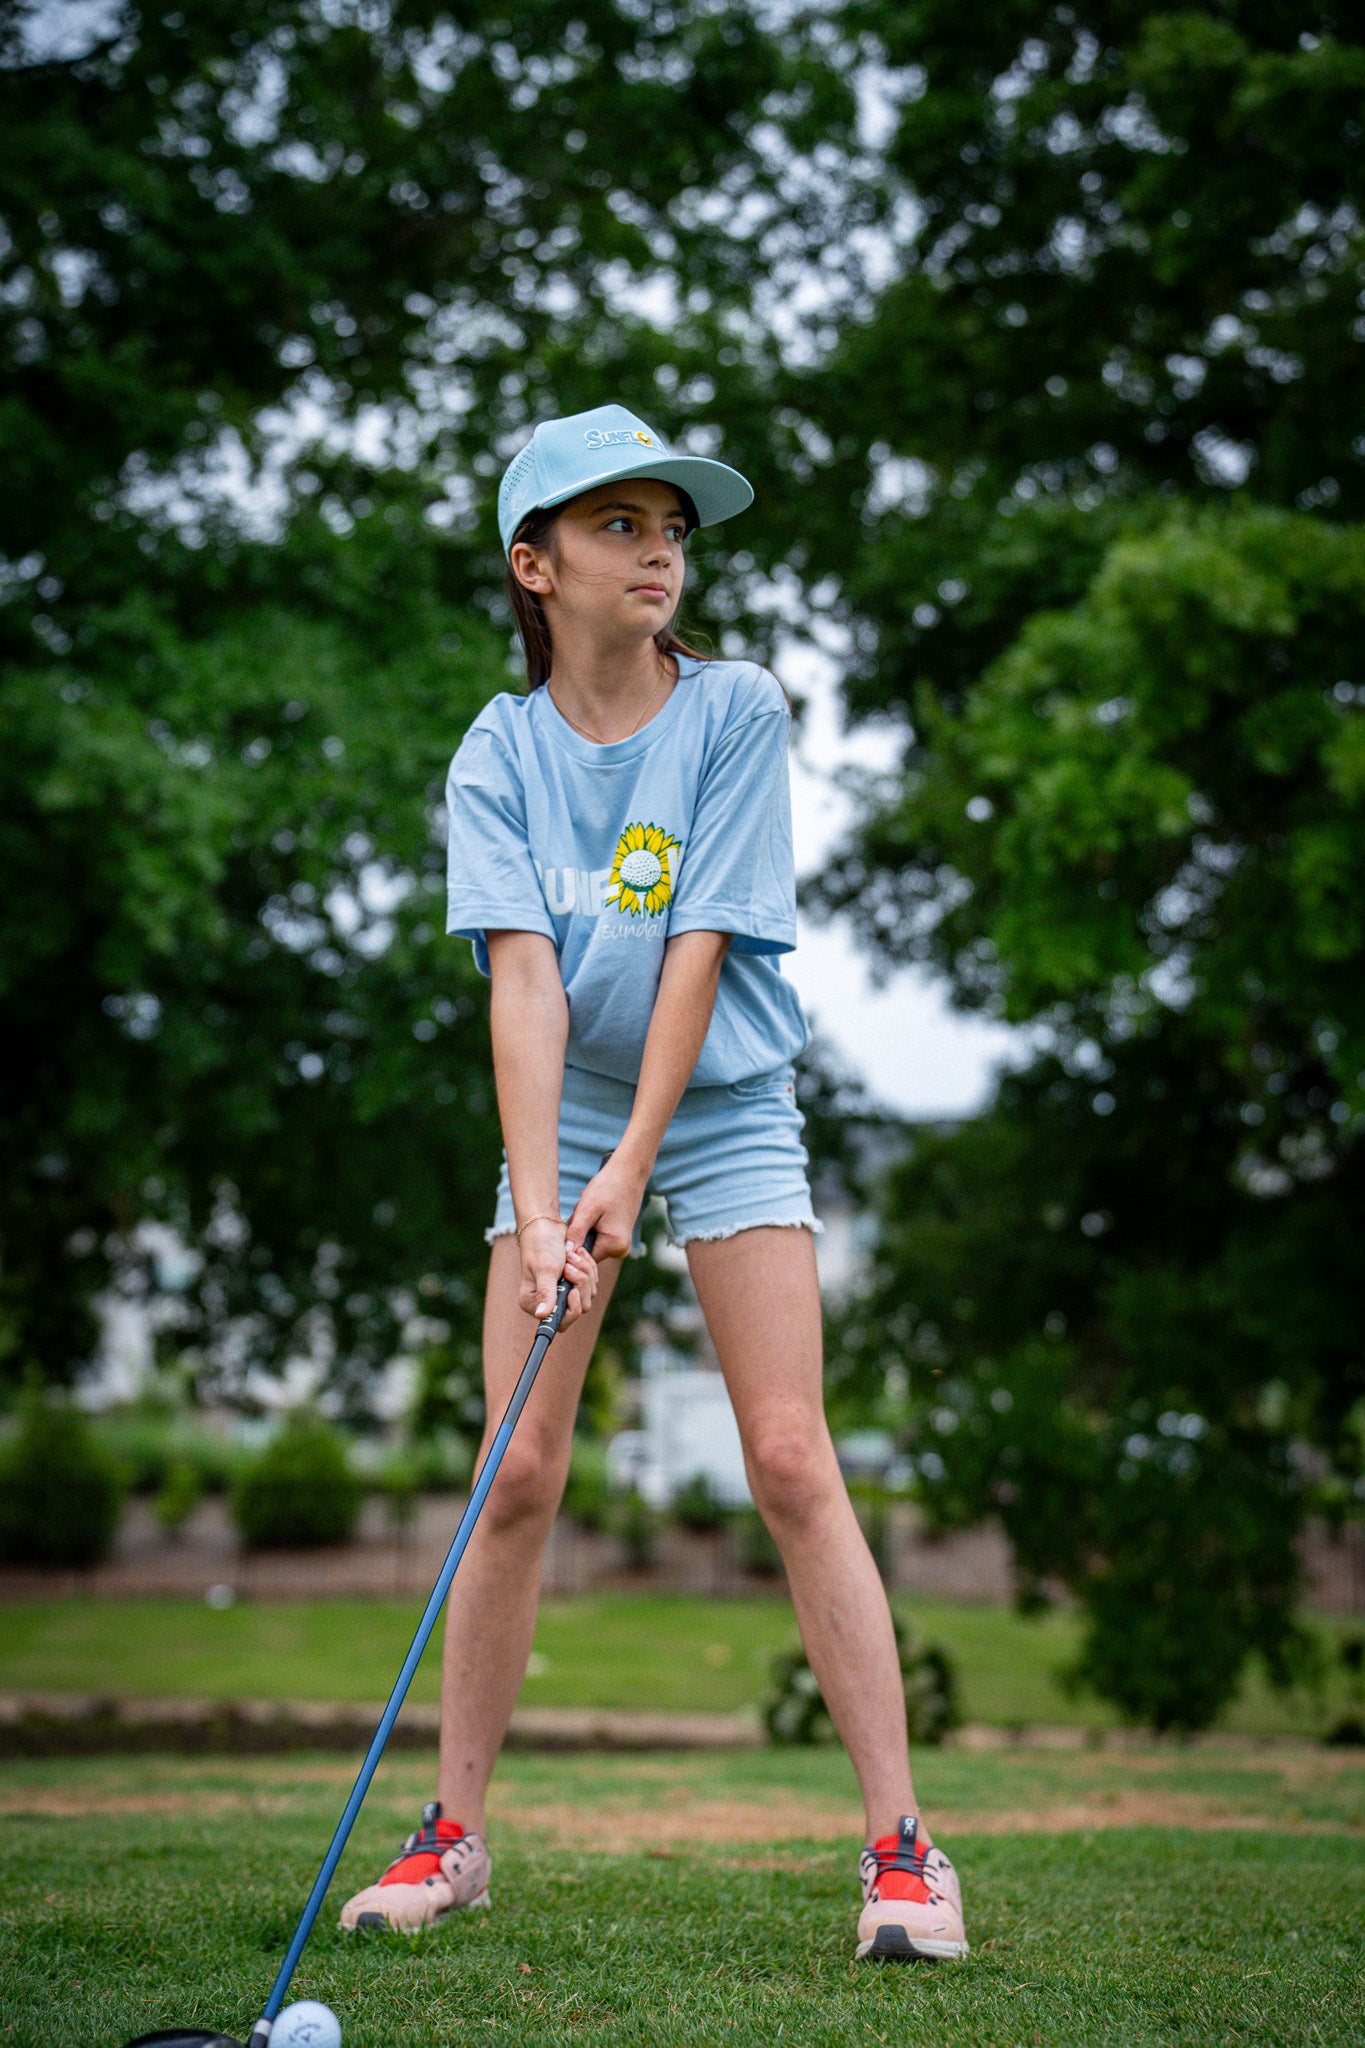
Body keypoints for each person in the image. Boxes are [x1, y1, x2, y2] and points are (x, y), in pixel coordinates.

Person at [339, 403, 968, 1962]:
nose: (660, 551)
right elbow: (525, 988)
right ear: (533, 565)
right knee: (517, 1471)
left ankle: (905, 1857)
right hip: (564, 1109)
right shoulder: (496, 752)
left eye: (672, 527)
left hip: (727, 1100)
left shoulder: (735, 711)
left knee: (788, 1456)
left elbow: (699, 946)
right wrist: (551, 1204)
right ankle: (454, 1837)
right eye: (621, 525)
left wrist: (632, 1168)